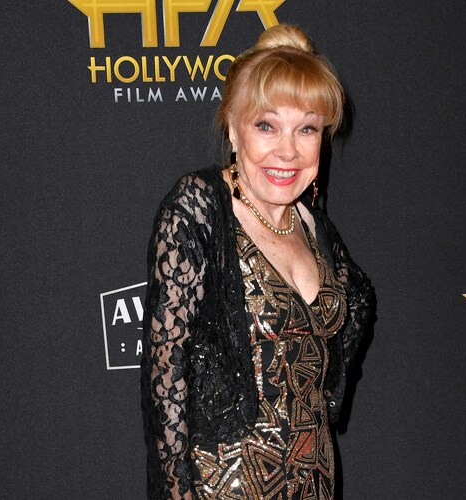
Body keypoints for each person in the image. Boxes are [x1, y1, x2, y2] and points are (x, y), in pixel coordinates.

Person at [141, 24, 374, 499]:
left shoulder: (313, 224)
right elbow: (166, 377)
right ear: (233, 127)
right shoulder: (200, 208)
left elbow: (352, 315)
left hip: (314, 481)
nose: (288, 150)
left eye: (307, 128)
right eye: (266, 125)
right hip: (227, 487)